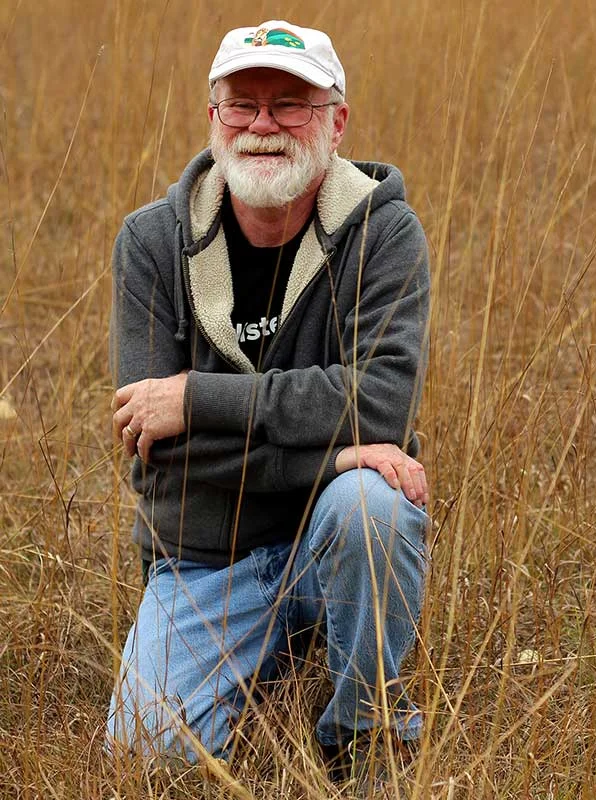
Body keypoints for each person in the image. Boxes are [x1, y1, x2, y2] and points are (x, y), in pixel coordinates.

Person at [106, 20, 431, 789]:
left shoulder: (384, 233)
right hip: (205, 562)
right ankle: (280, 657)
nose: (262, 126)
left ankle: (364, 727)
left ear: (336, 121)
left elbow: (379, 403)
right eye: (241, 104)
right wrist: (337, 451)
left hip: (332, 539)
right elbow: (155, 442)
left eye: (291, 104)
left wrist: (197, 397)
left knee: (370, 508)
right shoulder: (151, 244)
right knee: (145, 756)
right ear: (213, 117)